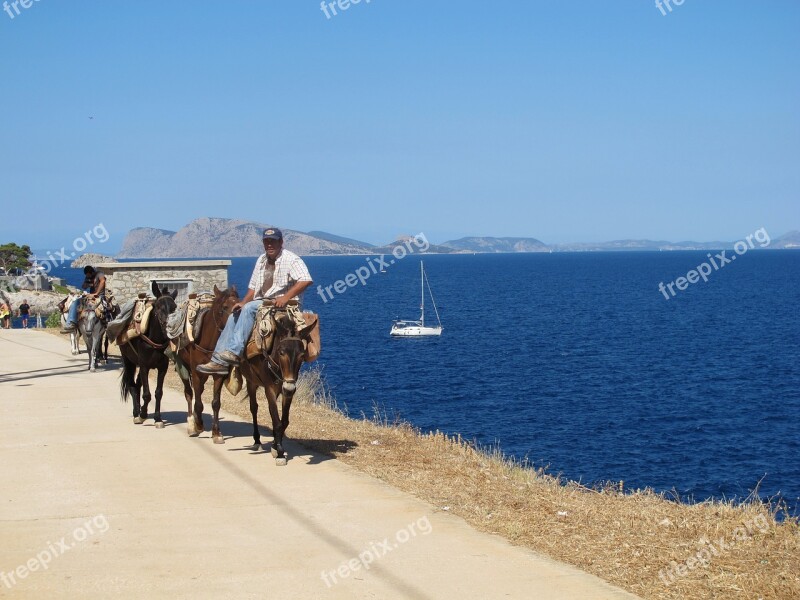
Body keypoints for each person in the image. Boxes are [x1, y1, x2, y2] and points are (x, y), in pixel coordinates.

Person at [197, 228, 313, 375]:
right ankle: (218, 361)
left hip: (282, 304)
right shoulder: (261, 260)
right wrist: (243, 302)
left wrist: (285, 297)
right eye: (266, 242)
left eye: (273, 241)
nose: (269, 245)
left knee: (249, 309)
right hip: (262, 302)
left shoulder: (292, 259)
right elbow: (253, 288)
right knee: (236, 312)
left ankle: (234, 352)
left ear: (281, 242)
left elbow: (306, 280)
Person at [62, 266, 107, 332]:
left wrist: (97, 293)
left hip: (100, 296)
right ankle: (71, 322)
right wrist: (87, 284)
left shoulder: (99, 274)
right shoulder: (88, 277)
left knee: (102, 309)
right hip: (90, 296)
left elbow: (103, 281)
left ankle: (106, 324)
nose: (88, 276)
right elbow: (83, 287)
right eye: (87, 275)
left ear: (92, 272)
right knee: (76, 302)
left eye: (88, 275)